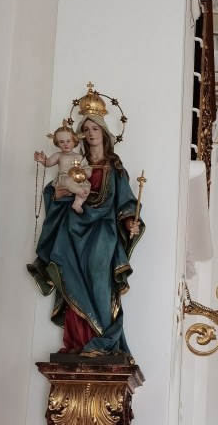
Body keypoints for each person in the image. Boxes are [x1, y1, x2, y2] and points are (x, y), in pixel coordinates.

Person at [27, 105, 143, 357]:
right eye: (86, 129)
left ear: (104, 132)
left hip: (102, 231)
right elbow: (54, 190)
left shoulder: (115, 168)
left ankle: (104, 340)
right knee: (71, 276)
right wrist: (58, 193)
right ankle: (79, 341)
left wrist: (130, 223)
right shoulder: (74, 163)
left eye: (95, 128)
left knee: (99, 277)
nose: (91, 133)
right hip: (72, 229)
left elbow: (125, 202)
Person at [35, 125, 92, 214]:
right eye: (61, 142)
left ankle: (77, 203)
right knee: (68, 181)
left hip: (78, 178)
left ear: (74, 141)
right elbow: (49, 163)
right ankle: (79, 191)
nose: (65, 144)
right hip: (64, 177)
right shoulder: (59, 155)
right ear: (57, 143)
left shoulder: (79, 156)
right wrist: (43, 160)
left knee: (87, 186)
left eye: (68, 141)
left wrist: (85, 172)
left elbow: (87, 168)